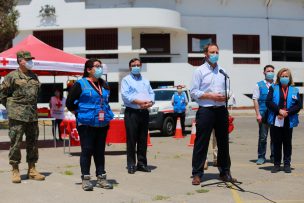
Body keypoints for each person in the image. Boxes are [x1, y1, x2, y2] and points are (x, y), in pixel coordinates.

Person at [190, 43, 237, 185]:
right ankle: (197, 174)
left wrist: (227, 96)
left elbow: (228, 89)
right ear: (206, 54)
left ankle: (225, 172)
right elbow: (193, 92)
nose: (215, 54)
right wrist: (210, 96)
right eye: (212, 52)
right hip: (206, 110)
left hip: (221, 109)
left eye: (217, 51)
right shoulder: (199, 71)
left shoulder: (222, 71)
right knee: (201, 142)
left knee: (223, 142)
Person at [66, 58, 114, 191]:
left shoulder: (104, 84)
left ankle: (101, 178)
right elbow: (69, 103)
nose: (100, 69)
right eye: (97, 66)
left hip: (102, 123)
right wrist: (80, 114)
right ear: (88, 69)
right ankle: (86, 179)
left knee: (100, 151)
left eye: (100, 66)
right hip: (86, 124)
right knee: (87, 150)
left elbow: (106, 101)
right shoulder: (80, 84)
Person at [0, 50, 45, 183]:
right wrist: (11, 107)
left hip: (32, 115)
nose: (31, 61)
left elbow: (37, 93)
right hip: (17, 115)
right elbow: (2, 94)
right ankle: (15, 169)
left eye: (31, 59)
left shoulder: (34, 76)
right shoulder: (11, 76)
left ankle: (32, 169)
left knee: (33, 143)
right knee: (15, 143)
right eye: (28, 59)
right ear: (21, 61)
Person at [121, 58, 155, 174]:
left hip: (144, 112)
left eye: (137, 65)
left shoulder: (145, 81)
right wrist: (139, 102)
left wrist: (150, 102)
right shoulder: (126, 80)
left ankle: (142, 163)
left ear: (141, 66)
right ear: (130, 67)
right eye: (133, 65)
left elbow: (151, 93)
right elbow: (126, 96)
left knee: (143, 139)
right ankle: (131, 164)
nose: (136, 67)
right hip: (132, 112)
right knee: (131, 139)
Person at [266, 68, 302, 173]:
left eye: (286, 76)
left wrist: (288, 112)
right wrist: (279, 110)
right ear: (278, 77)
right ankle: (277, 164)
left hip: (288, 119)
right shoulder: (273, 88)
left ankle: (287, 164)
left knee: (287, 143)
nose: (284, 78)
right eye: (282, 76)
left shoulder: (295, 90)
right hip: (276, 118)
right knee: (276, 143)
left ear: (289, 78)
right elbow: (268, 102)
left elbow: (298, 105)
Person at [252, 65, 275, 165]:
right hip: (263, 113)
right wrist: (258, 114)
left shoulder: (277, 85)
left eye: (271, 71)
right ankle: (261, 157)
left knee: (275, 137)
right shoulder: (259, 85)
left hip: (274, 114)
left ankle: (274, 156)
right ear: (264, 72)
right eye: (268, 71)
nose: (270, 72)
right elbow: (255, 99)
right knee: (263, 136)